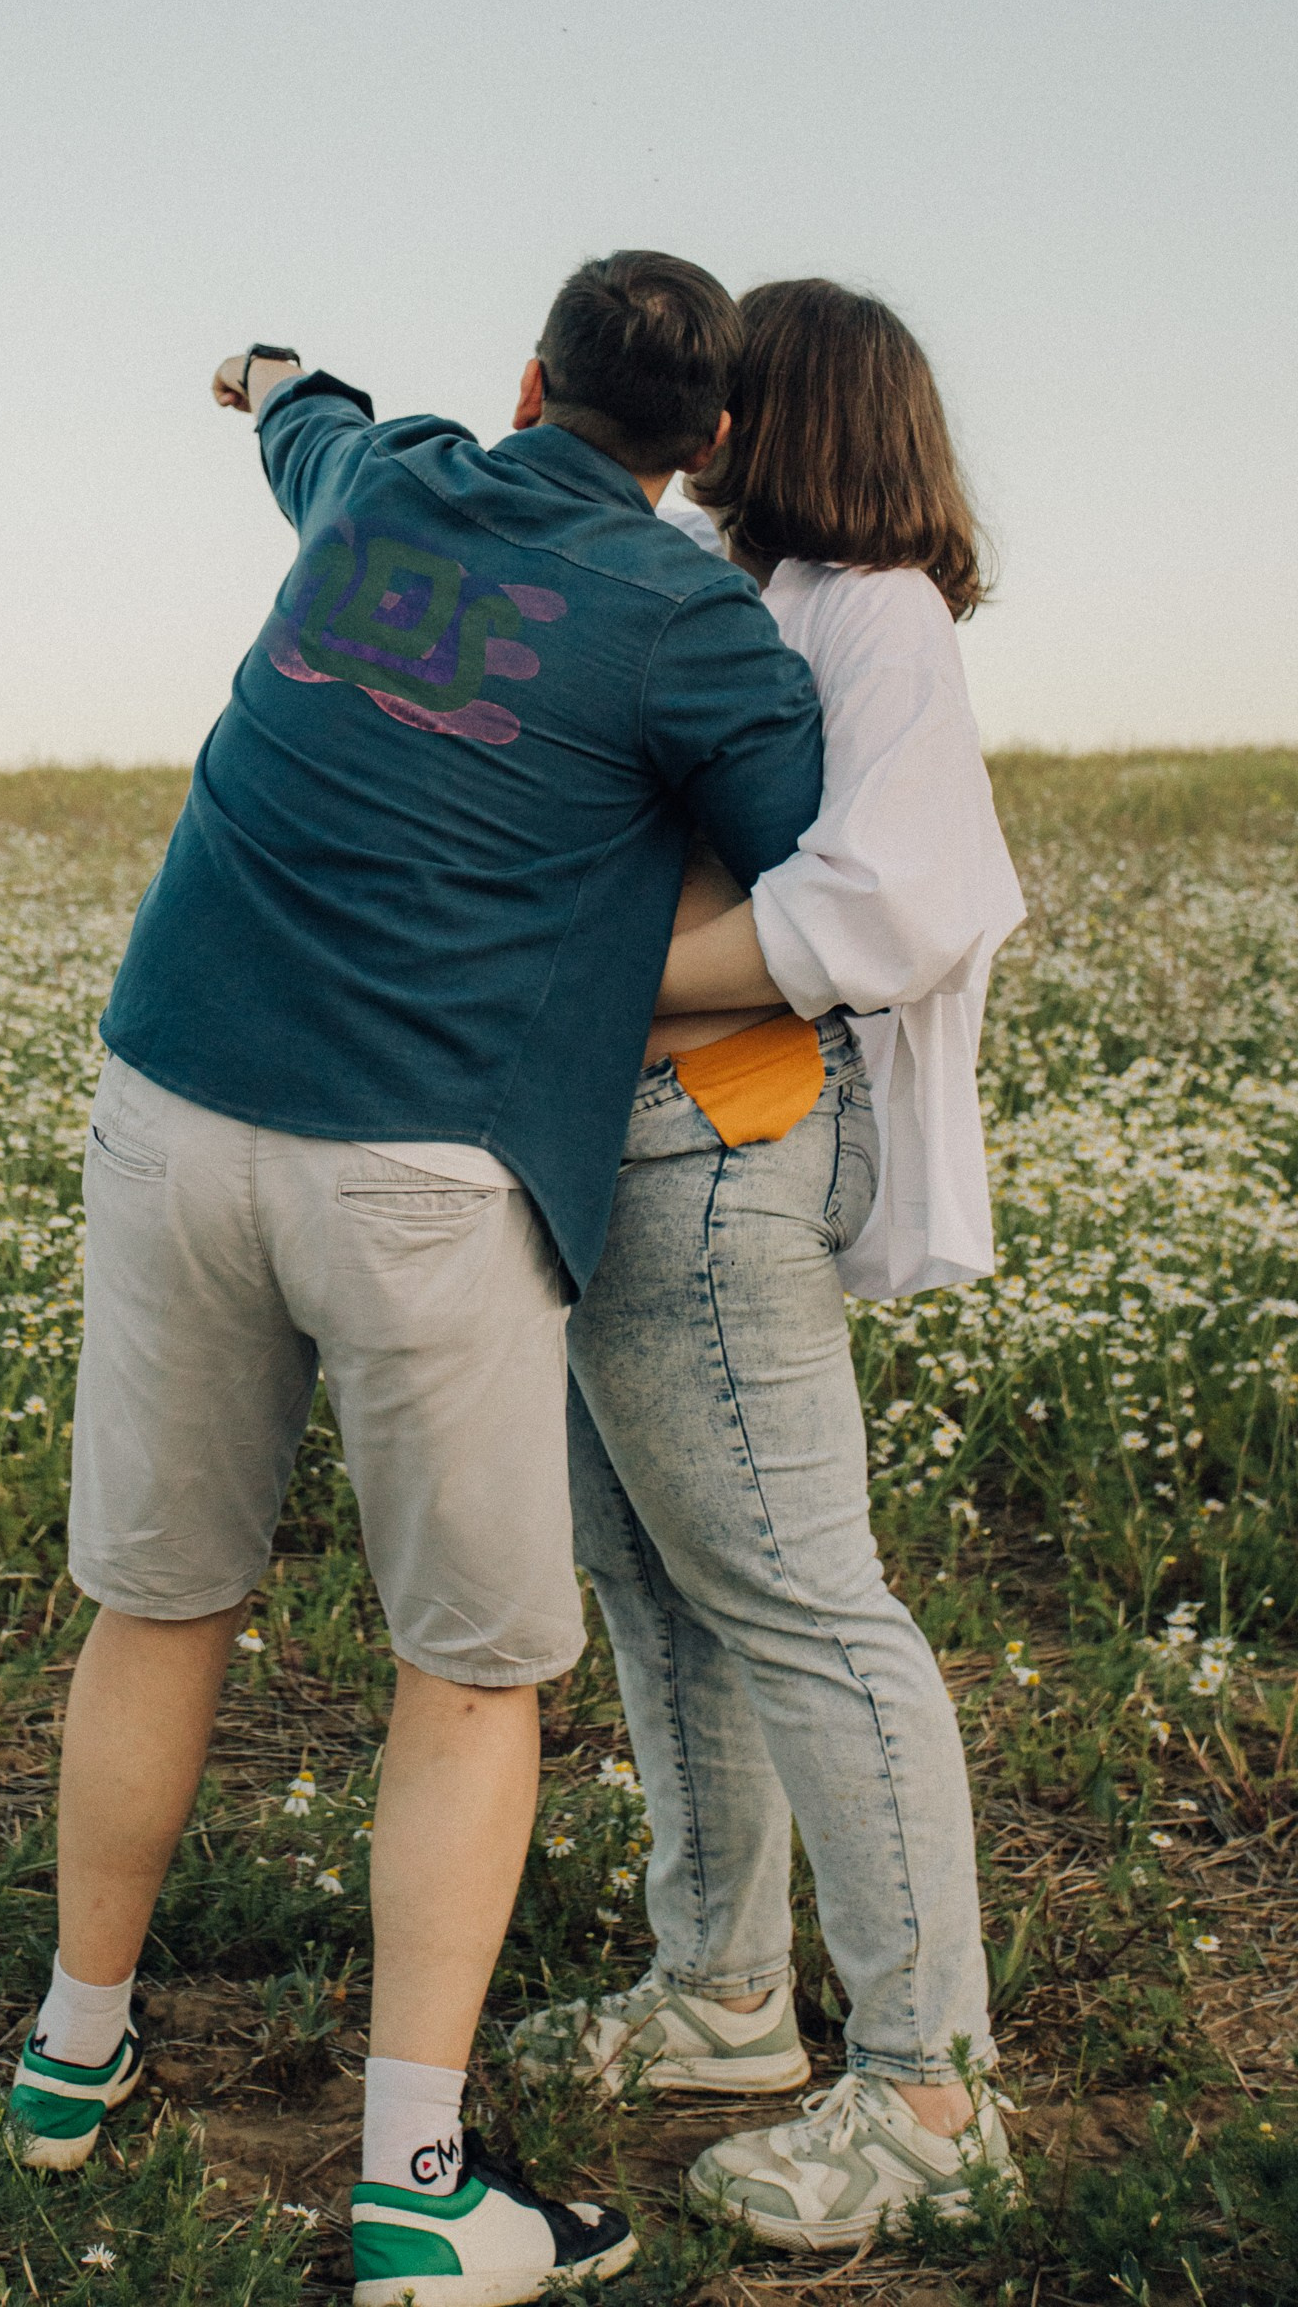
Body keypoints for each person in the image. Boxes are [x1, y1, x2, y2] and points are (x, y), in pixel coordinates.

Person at [6, 254, 826, 2307]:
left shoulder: (380, 483)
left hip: (173, 1097)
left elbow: (298, 400)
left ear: (531, 377)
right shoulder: (686, 614)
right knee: (470, 1671)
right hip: (420, 1155)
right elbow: (813, 861)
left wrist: (263, 363)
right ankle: (417, 2187)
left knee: (156, 1598)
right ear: (705, 447)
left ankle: (67, 2055)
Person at [514, 280, 1026, 2255]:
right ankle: (723, 1993)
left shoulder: (871, 607)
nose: (698, 430)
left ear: (783, 415)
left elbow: (894, 897)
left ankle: (925, 2088)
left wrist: (590, 982)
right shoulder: (763, 604)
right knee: (664, 1586)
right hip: (632, 1154)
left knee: (806, 1606)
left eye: (729, 397)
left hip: (716, 1141)